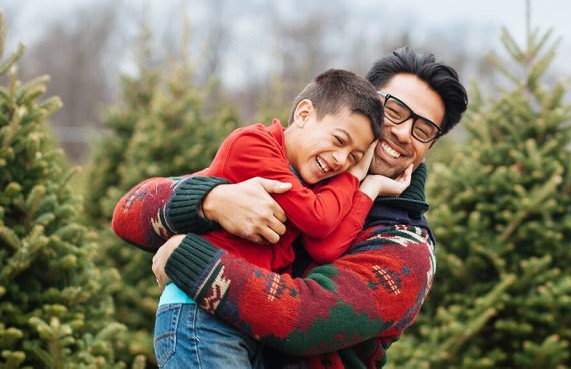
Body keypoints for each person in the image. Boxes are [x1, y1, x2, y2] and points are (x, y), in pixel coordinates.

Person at [112, 47, 468, 368]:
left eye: (423, 130)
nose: (404, 133)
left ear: (429, 147)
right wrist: (210, 202)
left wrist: (186, 255)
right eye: (394, 110)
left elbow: (302, 320)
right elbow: (129, 212)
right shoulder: (293, 172)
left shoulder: (406, 249)